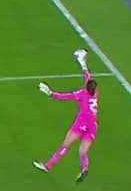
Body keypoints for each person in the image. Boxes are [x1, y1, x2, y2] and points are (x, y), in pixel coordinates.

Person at [33, 50, 99, 182]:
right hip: (93, 125)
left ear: (86, 87)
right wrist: (84, 65)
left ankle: (48, 166)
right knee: (83, 152)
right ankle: (84, 168)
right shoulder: (95, 93)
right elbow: (88, 78)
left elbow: (63, 96)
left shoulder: (81, 94)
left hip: (82, 122)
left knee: (66, 145)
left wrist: (50, 93)